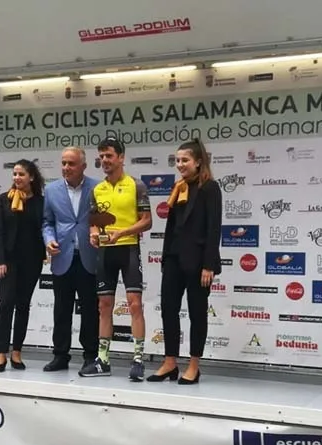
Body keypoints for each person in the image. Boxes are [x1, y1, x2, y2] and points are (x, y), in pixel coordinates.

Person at [148, 139, 222, 385]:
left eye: (185, 160)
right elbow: (172, 227)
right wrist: (165, 256)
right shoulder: (178, 187)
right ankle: (170, 362)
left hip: (199, 262)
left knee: (197, 313)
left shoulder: (210, 188)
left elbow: (214, 228)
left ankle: (193, 366)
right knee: (168, 309)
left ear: (198, 162)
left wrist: (209, 265)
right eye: (177, 160)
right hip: (173, 258)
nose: (180, 164)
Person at [82, 137, 152, 381]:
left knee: (135, 304)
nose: (104, 160)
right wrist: (93, 235)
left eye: (109, 156)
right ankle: (103, 360)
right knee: (104, 306)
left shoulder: (136, 185)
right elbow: (94, 223)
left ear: (121, 157)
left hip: (128, 249)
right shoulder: (97, 190)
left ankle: (138, 360)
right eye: (101, 156)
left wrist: (121, 233)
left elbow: (147, 221)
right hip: (105, 252)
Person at [41, 147, 101, 372]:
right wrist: (49, 239)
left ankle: (91, 355)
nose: (66, 167)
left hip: (89, 257)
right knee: (61, 309)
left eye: (71, 163)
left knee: (90, 310)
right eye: (64, 163)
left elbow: (103, 219)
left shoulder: (98, 188)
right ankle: (60, 355)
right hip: (62, 257)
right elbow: (47, 222)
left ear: (83, 166)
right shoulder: (51, 190)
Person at [0, 159, 46, 373]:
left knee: (23, 305)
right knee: (6, 304)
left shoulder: (41, 202)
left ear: (31, 177)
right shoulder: (4, 199)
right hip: (8, 261)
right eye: (14, 174)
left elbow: (44, 228)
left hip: (32, 261)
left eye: (21, 174)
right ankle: (1, 354)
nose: (16, 178)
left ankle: (16, 352)